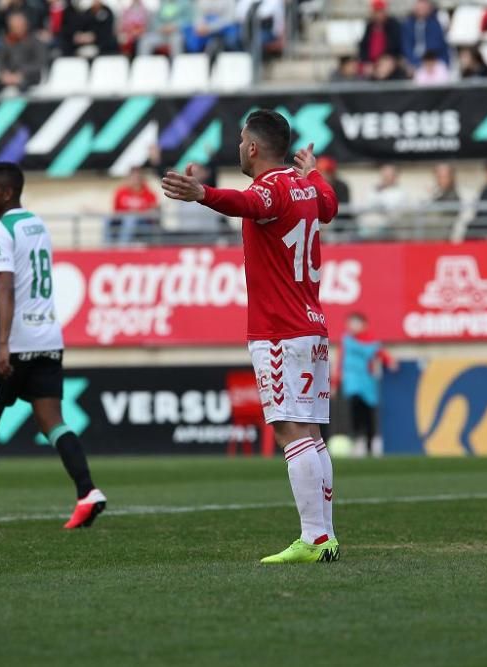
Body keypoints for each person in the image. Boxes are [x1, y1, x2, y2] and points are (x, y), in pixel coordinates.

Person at [161, 109, 340, 564]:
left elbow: (247, 204)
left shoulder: (270, 189)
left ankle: (314, 539)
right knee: (312, 433)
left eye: (242, 140)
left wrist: (202, 194)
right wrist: (315, 174)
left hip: (280, 330)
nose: (239, 147)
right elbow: (330, 208)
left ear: (254, 148)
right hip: (313, 326)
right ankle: (326, 536)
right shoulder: (306, 187)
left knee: (288, 429)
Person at [0, 162, 106, 530]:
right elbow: (20, 284)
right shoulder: (37, 225)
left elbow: (6, 288)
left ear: (7, 193)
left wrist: (2, 346)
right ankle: (87, 492)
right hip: (47, 337)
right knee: (54, 422)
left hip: (11, 342)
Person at [336, 312, 396, 457]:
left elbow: (382, 354)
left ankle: (369, 445)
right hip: (352, 382)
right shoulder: (346, 341)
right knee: (354, 409)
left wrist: (390, 362)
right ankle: (356, 440)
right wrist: (335, 381)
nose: (353, 326)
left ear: (364, 325)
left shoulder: (372, 342)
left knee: (368, 415)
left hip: (367, 383)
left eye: (356, 323)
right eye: (350, 323)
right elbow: (340, 361)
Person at [0, 11, 46, 93]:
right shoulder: (7, 41)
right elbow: (0, 60)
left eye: (18, 26)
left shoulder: (36, 42)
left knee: (22, 86)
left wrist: (21, 74)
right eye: (13, 27)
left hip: (30, 76)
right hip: (9, 76)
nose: (16, 29)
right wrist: (5, 73)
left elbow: (40, 63)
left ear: (25, 25)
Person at [107, 167, 159, 245]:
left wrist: (137, 213)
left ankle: (122, 247)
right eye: (132, 177)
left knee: (131, 219)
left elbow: (153, 212)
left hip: (143, 225)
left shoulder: (149, 194)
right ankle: (107, 247)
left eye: (137, 177)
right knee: (107, 220)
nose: (135, 180)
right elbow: (116, 212)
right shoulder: (121, 192)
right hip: (123, 221)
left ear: (141, 179)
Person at [361, 163, 409, 237]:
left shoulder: (401, 192)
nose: (385, 177)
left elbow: (393, 210)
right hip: (369, 225)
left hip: (390, 226)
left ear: (395, 177)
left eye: (388, 175)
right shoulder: (373, 189)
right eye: (384, 175)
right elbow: (366, 204)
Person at [401, 0, 448, 69]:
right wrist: (414, 62)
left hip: (431, 61)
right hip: (413, 61)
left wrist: (425, 63)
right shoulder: (408, 24)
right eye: (420, 6)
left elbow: (436, 45)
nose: (421, 9)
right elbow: (406, 46)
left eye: (424, 6)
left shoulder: (435, 24)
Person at [359, 0, 402, 67]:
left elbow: (394, 46)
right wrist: (365, 60)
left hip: (387, 60)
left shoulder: (393, 25)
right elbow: (363, 46)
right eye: (376, 12)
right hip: (371, 62)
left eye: (381, 12)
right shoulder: (370, 26)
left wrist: (385, 60)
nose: (378, 15)